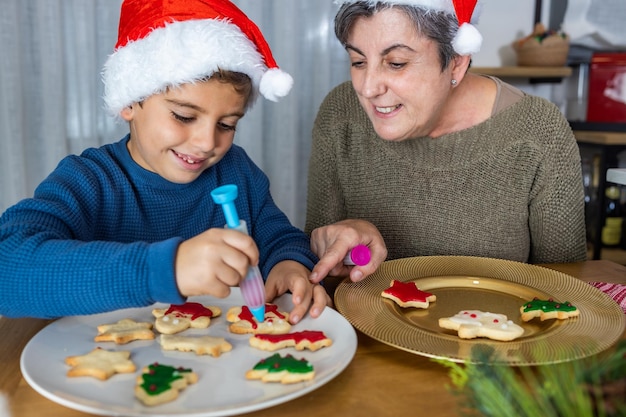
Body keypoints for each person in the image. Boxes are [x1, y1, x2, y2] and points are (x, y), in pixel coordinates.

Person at [0, 0, 330, 322]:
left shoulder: (236, 171)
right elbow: (7, 266)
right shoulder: (88, 181)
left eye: (227, 124)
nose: (206, 143)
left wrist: (288, 264)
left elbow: (277, 236)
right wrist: (168, 269)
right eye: (184, 116)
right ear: (129, 102)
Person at [306, 0, 587, 284]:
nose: (368, 88)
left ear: (456, 63)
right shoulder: (340, 114)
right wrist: (336, 239)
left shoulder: (537, 130)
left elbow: (566, 285)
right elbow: (318, 262)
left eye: (396, 63)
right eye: (358, 62)